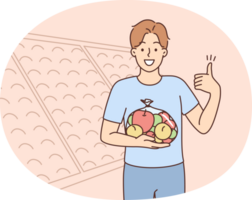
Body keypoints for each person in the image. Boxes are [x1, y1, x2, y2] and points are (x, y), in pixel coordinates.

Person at [100, 19, 221, 200]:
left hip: (172, 169)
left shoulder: (177, 85)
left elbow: (202, 125)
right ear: (134, 51)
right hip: (136, 170)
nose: (149, 53)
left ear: (164, 52)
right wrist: (140, 142)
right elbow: (107, 134)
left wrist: (215, 93)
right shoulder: (121, 89)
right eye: (142, 48)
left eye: (155, 48)